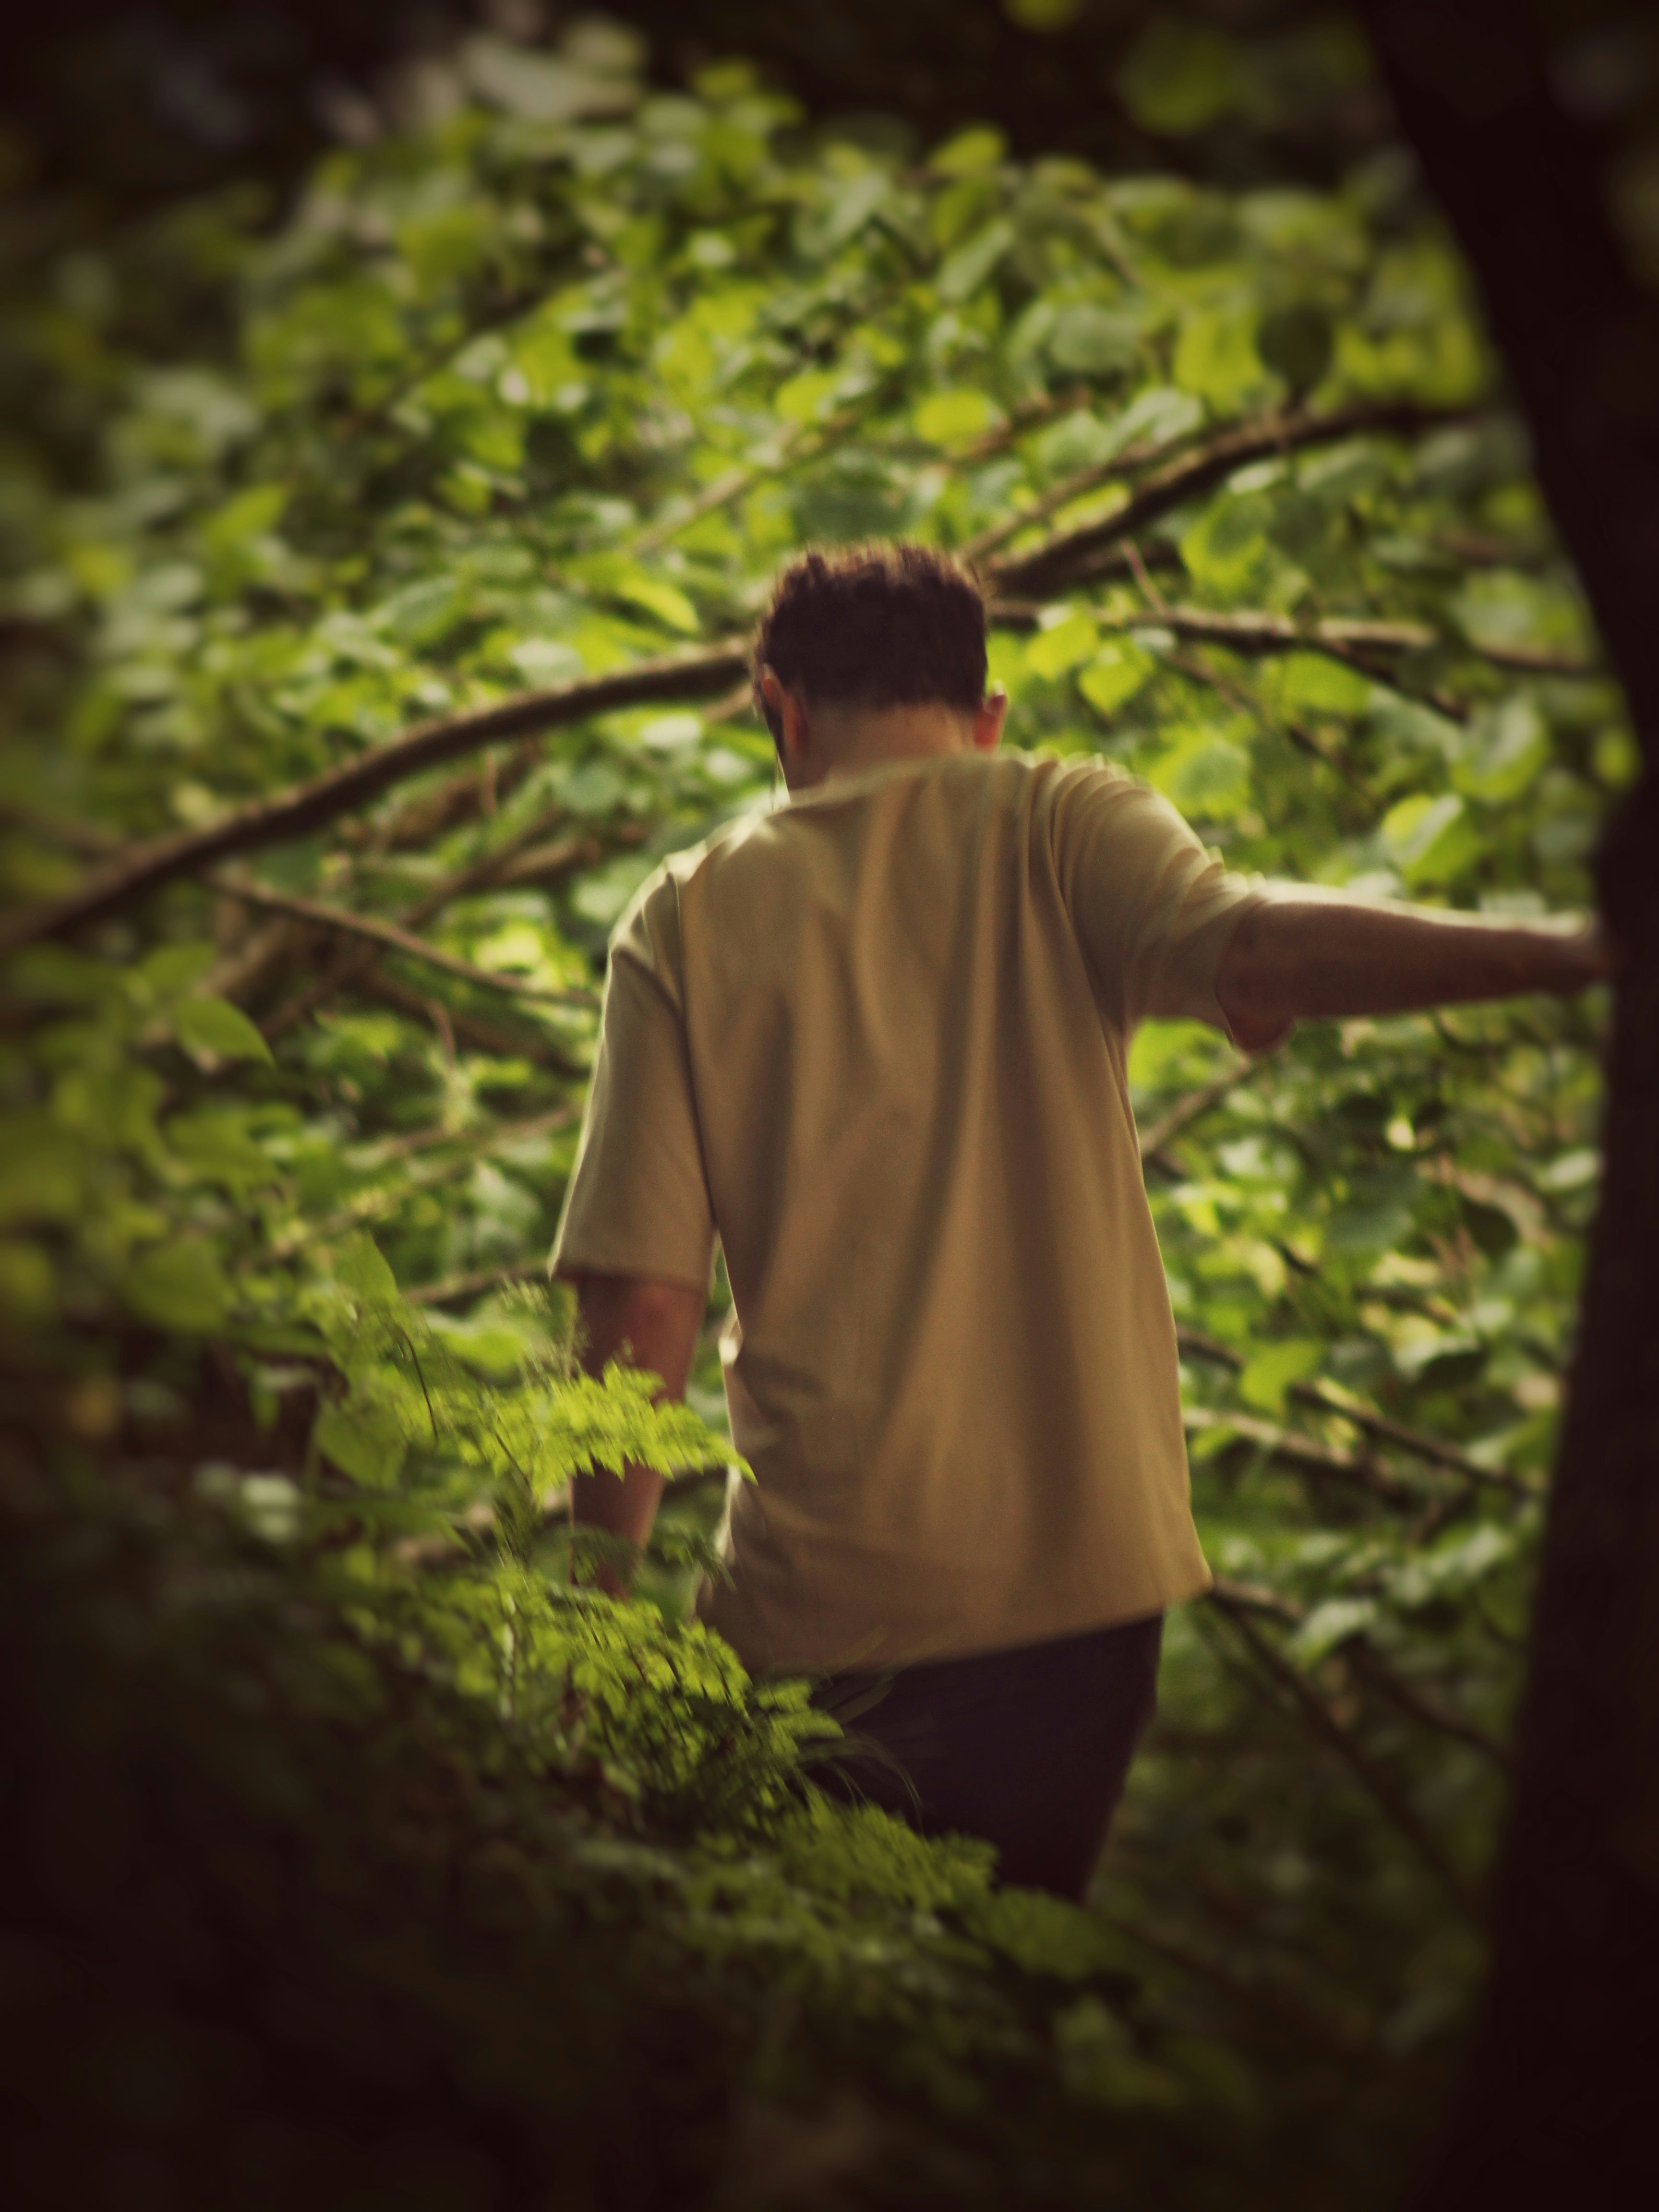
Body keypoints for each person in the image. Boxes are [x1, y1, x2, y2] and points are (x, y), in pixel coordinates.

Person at [549, 542, 1612, 1901]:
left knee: (804, 2050)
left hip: (824, 1615)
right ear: (986, 717)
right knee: (997, 2034)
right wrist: (1571, 952)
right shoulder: (1056, 823)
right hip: (1083, 1616)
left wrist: (592, 1639)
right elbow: (1257, 945)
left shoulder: (685, 918)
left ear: (786, 711)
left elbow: (641, 1307)